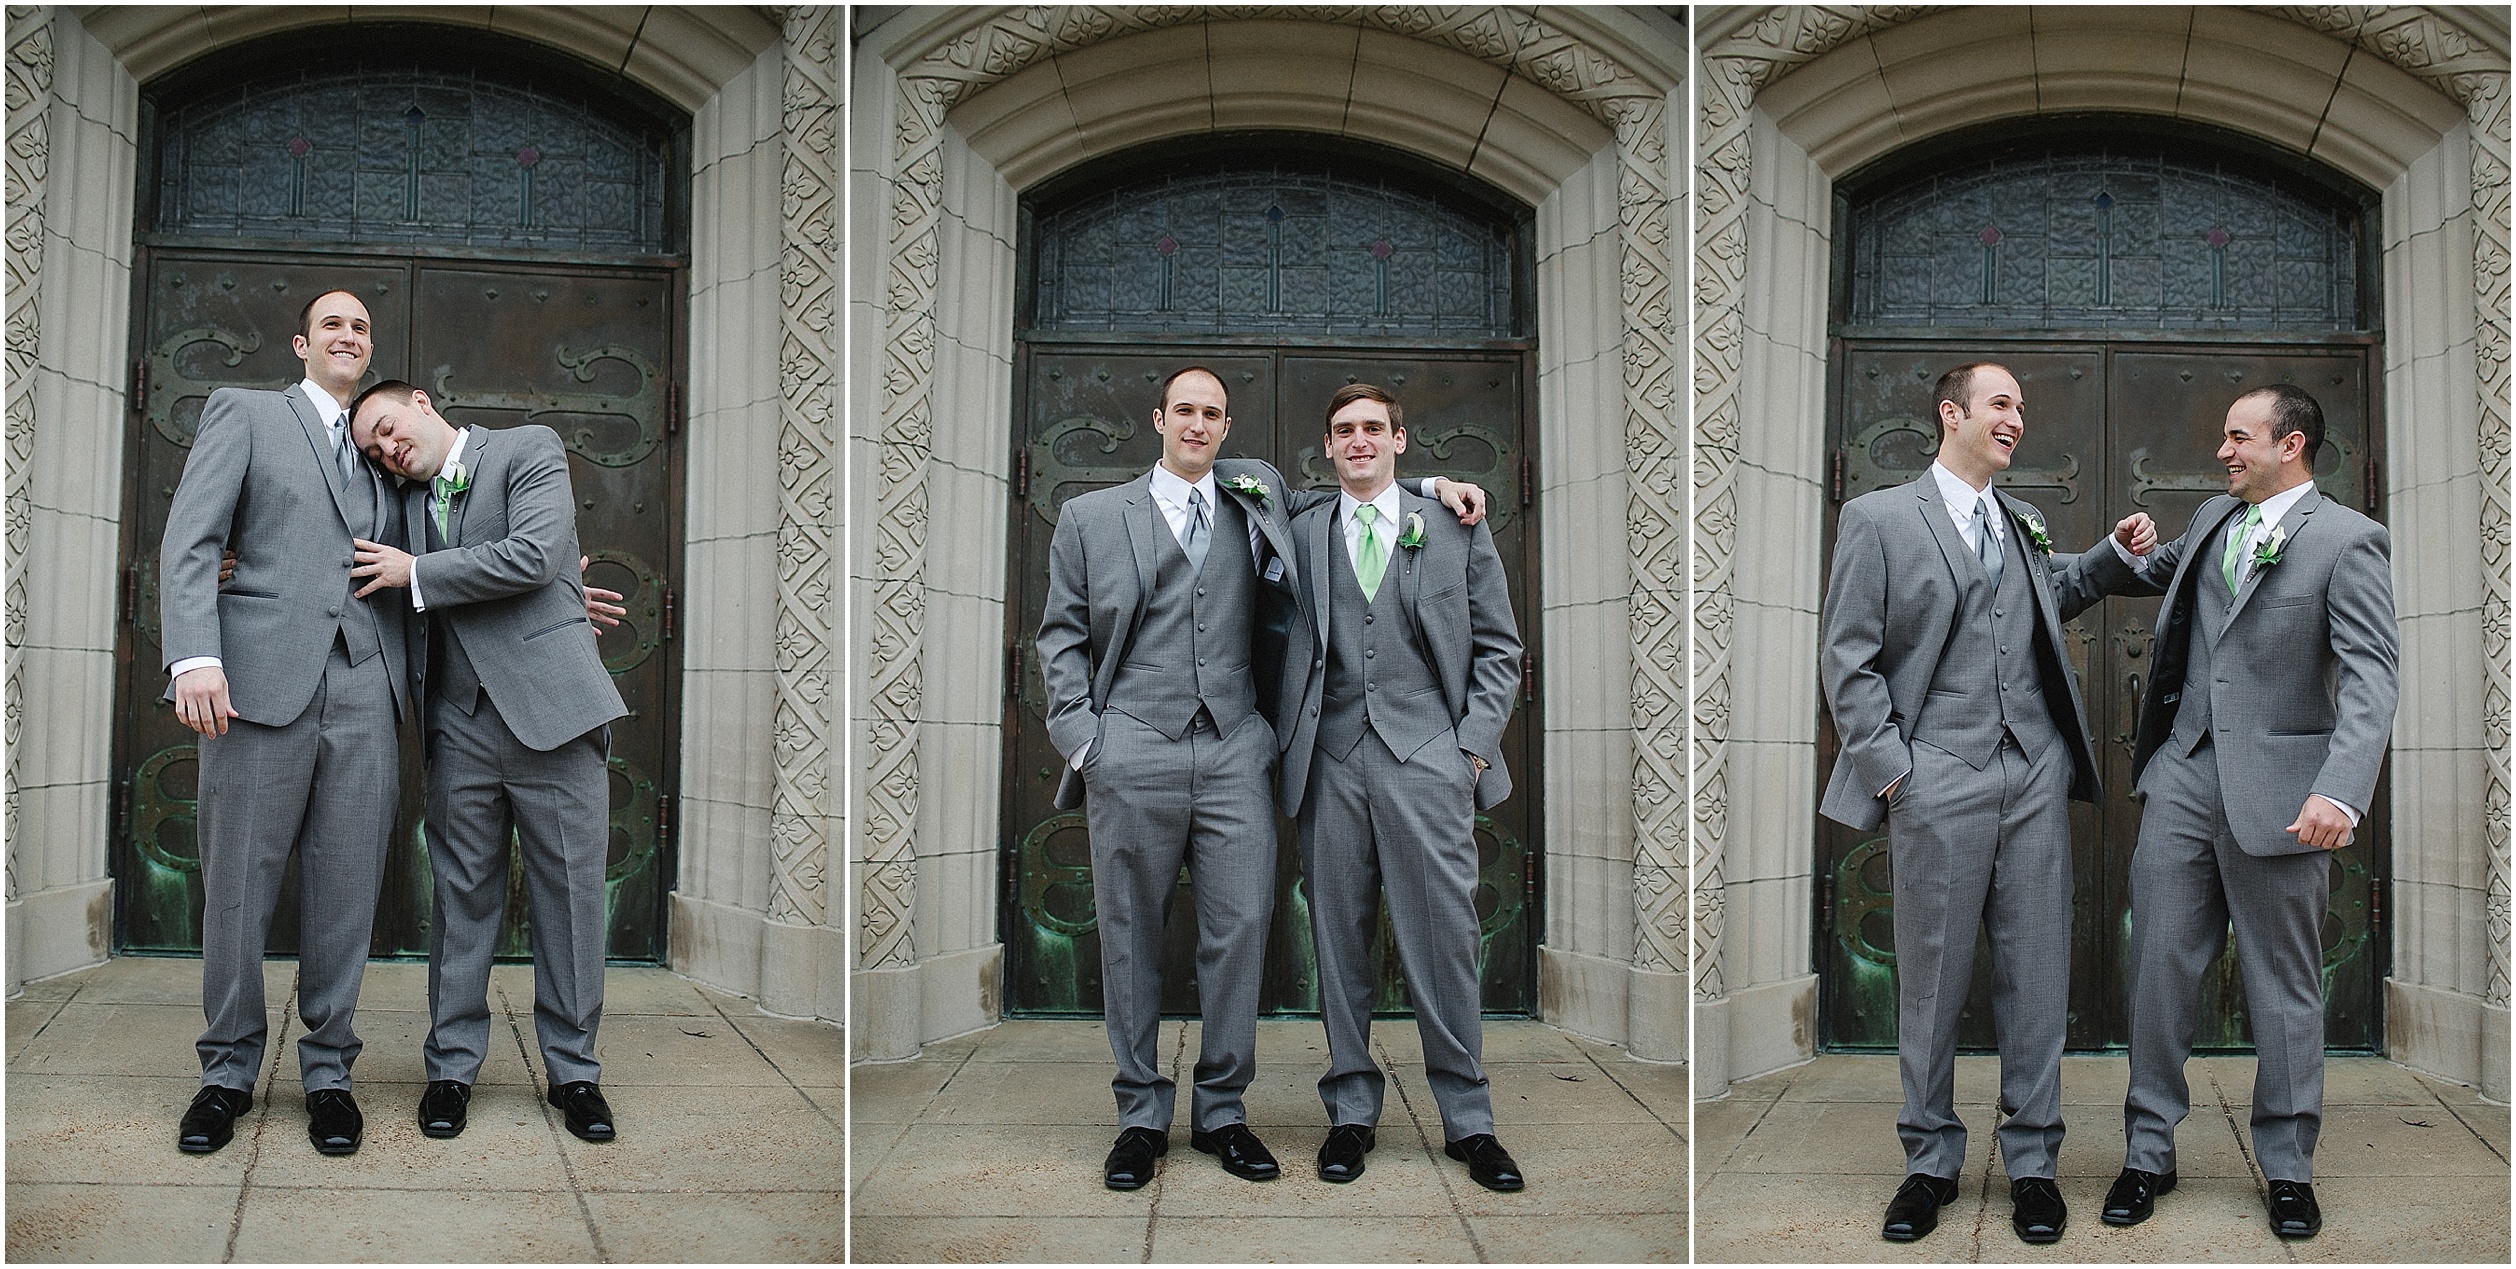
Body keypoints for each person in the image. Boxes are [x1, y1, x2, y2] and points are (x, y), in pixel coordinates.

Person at [1035, 366, 1482, 1190]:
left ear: (1227, 424)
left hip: (1240, 747)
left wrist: (1431, 483)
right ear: (1158, 417)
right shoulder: (1091, 517)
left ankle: (1220, 1111)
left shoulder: (1257, 492)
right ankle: (1139, 1116)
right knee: (1130, 935)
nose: (1198, 425)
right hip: (1131, 749)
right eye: (1185, 412)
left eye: (1212, 413)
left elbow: (1360, 488)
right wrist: (1086, 742)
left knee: (1239, 935)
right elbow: (1059, 634)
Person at [1818, 362, 2154, 1244]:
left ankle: (2033, 1161)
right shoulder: (1880, 518)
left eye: (2021, 407)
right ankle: (1929, 1161)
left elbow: (2046, 600)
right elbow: (1847, 660)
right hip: (1937, 774)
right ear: (1952, 413)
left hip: (2034, 773)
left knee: (2037, 970)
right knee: (1929, 978)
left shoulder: (2025, 521)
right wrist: (1896, 772)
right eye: (2002, 404)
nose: (2017, 418)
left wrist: (2111, 559)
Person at [2095, 384, 2397, 1240]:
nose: (2224, 451)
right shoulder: (2214, 520)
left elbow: (2373, 673)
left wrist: (2341, 788)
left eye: (2239, 437)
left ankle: (2290, 1167)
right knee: (2155, 967)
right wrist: (2130, 545)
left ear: (2290, 442)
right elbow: (2159, 572)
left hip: (2288, 793)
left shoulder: (2347, 541)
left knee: (2285, 986)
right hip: (2184, 776)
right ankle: (2148, 1151)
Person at [343, 380, 630, 1144]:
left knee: (569, 901)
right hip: (458, 723)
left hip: (556, 716)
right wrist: (234, 563)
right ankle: (450, 1070)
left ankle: (574, 1072)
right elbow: (332, 544)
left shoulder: (527, 449)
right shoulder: (400, 500)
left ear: (421, 401)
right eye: (374, 448)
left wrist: (423, 574)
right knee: (461, 903)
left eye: (388, 427)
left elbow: (535, 553)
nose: (387, 449)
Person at [161, 288, 411, 1156]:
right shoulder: (248, 414)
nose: (350, 335)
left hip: (365, 686)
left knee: (348, 887)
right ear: (303, 343)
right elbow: (192, 538)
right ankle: (226, 1070)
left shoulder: (386, 445)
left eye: (362, 327)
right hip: (256, 683)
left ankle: (330, 1072)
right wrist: (195, 654)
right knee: (237, 881)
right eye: (334, 324)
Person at [1277, 383, 1525, 1191]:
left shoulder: (1457, 528)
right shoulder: (1303, 524)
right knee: (1340, 940)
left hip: (1429, 759)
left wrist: (1471, 751)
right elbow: (1234, 470)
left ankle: (1469, 1120)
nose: (1358, 440)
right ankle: (1351, 1110)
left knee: (1444, 940)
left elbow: (1499, 648)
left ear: (1399, 439)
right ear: (1326, 446)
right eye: (1343, 429)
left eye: (1373, 429)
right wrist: (1426, 481)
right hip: (1332, 761)